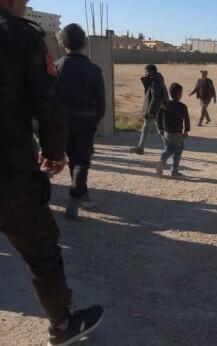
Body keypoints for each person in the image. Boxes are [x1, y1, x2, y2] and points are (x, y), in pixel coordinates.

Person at [0, 1, 103, 345]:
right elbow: (48, 103)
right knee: (42, 253)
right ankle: (62, 325)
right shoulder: (22, 37)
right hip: (10, 174)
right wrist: (55, 153)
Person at [55, 23, 106, 219]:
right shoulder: (94, 69)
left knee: (73, 159)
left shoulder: (56, 67)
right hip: (86, 122)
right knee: (81, 160)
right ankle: (78, 194)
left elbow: (50, 98)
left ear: (63, 43)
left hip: (64, 122)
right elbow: (101, 102)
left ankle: (80, 193)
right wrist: (95, 120)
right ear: (84, 43)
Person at [130, 64, 168, 155]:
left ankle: (141, 148)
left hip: (154, 110)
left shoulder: (155, 82)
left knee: (148, 129)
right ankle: (169, 148)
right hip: (158, 109)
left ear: (151, 72)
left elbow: (155, 98)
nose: (145, 73)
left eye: (146, 72)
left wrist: (150, 112)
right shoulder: (157, 81)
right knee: (159, 130)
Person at [156, 83, 190, 177]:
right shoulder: (183, 106)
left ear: (170, 93)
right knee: (177, 152)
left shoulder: (165, 104)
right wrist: (186, 130)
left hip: (167, 132)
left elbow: (158, 116)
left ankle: (162, 161)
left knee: (168, 148)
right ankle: (174, 171)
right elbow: (186, 119)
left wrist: (160, 128)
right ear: (180, 94)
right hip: (178, 133)